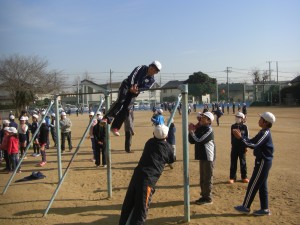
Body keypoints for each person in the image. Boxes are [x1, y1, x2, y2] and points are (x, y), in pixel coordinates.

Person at [119, 124, 175, 225]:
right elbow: (171, 159)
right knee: (141, 210)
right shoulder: (168, 147)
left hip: (137, 175)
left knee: (128, 205)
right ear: (166, 136)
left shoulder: (149, 142)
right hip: (148, 180)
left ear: (153, 133)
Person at [103, 61, 162, 136]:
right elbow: (133, 75)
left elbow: (146, 88)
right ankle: (106, 118)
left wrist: (137, 90)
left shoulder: (152, 80)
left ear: (156, 72)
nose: (152, 70)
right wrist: (132, 86)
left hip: (135, 92)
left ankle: (115, 127)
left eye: (155, 70)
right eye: (152, 68)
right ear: (150, 66)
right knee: (121, 101)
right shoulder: (142, 67)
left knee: (127, 108)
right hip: (127, 85)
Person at [233, 112, 276, 216]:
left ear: (265, 122)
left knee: (253, 183)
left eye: (261, 118)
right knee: (262, 185)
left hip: (263, 161)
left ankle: (245, 207)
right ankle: (264, 209)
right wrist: (242, 136)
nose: (259, 120)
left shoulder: (265, 133)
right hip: (262, 161)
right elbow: (251, 141)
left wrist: (240, 138)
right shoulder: (263, 131)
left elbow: (254, 144)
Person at [188, 111, 216, 205]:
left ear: (209, 121)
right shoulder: (200, 128)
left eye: (204, 117)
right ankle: (203, 196)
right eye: (202, 116)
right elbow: (192, 141)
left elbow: (199, 140)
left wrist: (192, 132)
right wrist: (191, 131)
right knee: (202, 178)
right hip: (202, 156)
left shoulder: (209, 130)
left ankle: (208, 198)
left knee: (207, 178)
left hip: (208, 157)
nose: (201, 118)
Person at [229, 112, 249, 184]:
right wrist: (232, 144)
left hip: (242, 147)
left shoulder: (245, 127)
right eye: (236, 117)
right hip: (234, 147)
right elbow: (232, 136)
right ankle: (232, 177)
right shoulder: (232, 126)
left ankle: (244, 177)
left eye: (239, 117)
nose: (237, 118)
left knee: (243, 162)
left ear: (242, 118)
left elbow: (247, 137)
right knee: (233, 162)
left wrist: (246, 147)